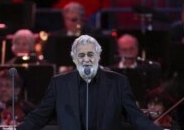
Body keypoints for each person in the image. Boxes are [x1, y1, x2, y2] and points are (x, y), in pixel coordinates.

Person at [17, 35, 163, 130]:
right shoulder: (59, 84)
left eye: (90, 54)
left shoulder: (118, 82)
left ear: (98, 56)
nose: (86, 59)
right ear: (74, 59)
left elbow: (135, 116)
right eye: (81, 55)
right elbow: (39, 116)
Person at [109, 34, 162, 107]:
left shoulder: (148, 71)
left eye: (131, 49)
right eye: (124, 50)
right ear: (119, 51)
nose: (128, 53)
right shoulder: (110, 71)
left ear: (137, 49)